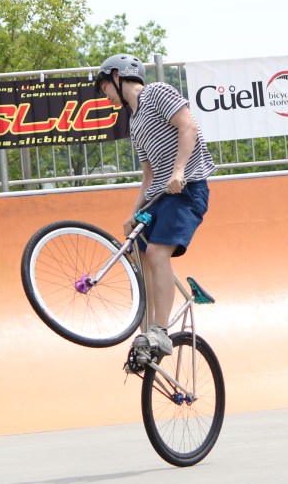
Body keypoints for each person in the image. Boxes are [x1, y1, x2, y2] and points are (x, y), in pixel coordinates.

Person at [93, 54, 216, 361]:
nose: (106, 96)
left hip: (187, 190)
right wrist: (133, 213)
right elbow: (148, 175)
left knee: (157, 253)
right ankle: (146, 337)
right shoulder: (134, 122)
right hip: (159, 197)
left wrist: (178, 170)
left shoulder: (157, 92)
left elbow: (188, 127)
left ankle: (160, 331)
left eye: (105, 87)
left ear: (118, 76)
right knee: (138, 252)